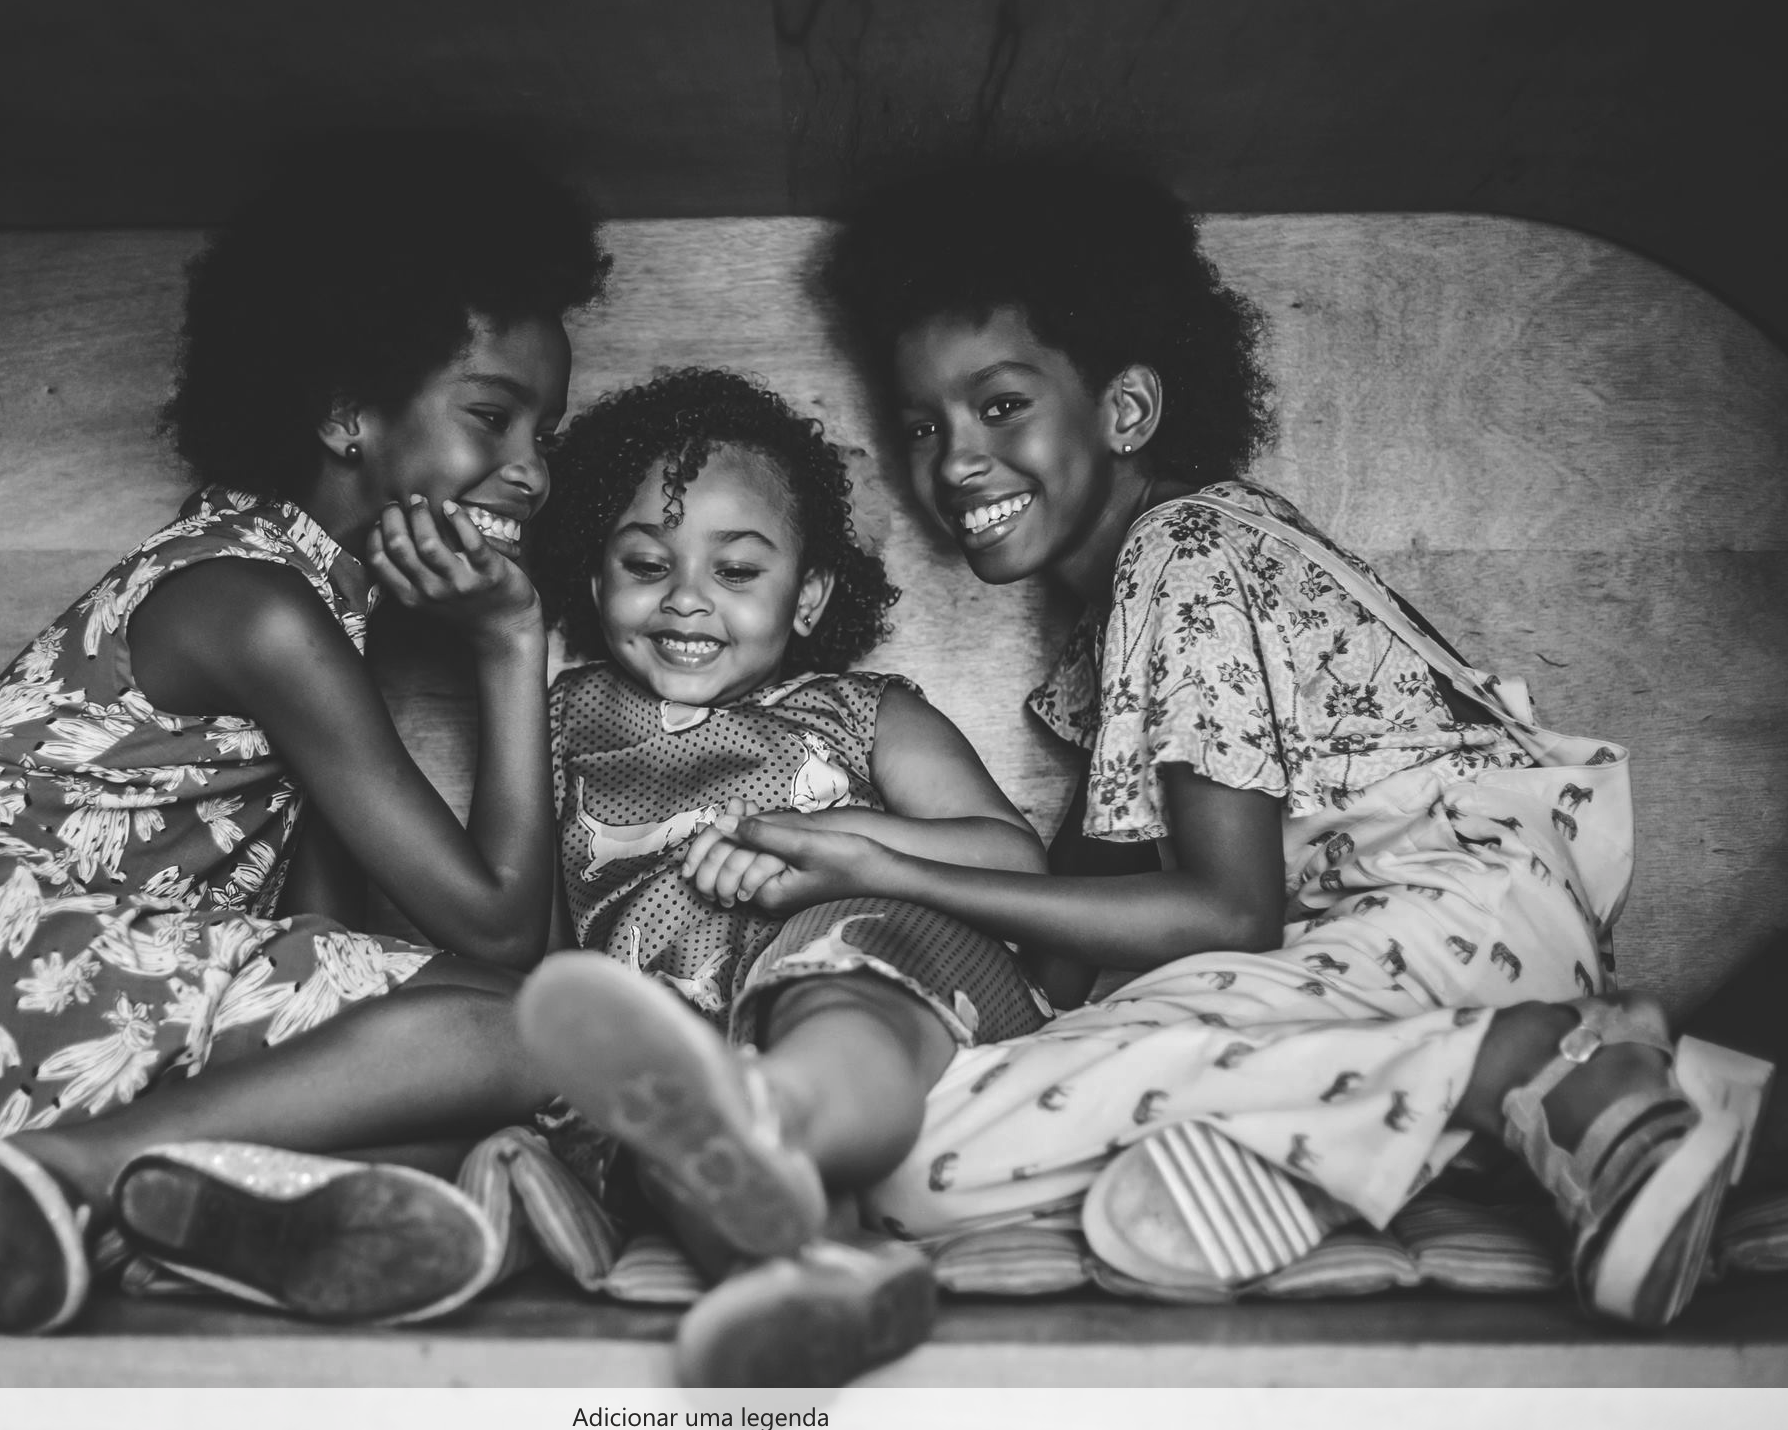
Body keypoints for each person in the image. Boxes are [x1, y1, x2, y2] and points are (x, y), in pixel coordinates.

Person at [668, 155, 1763, 1330]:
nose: (953, 461)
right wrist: (862, 967)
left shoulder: (1183, 550)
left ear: (1124, 411)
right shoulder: (1115, 634)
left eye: (999, 405)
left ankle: (1535, 1065)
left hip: (1447, 917)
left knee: (939, 1131)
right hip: (1386, 957)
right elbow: (1065, 967)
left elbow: (1226, 912)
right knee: (913, 1161)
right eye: (923, 424)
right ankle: (1330, 1151)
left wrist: (882, 867)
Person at [0, 134, 610, 1335]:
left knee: (457, 1092)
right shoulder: (260, 607)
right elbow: (503, 933)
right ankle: (71, 1173)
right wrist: (511, 641)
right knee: (538, 1034)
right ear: (345, 411)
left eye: (544, 433)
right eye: (493, 417)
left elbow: (319, 951)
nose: (531, 473)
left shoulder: (294, 598)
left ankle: (113, 1211)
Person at [513, 368, 1054, 1384]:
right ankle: (812, 1277)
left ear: (806, 596)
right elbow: (539, 936)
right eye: (646, 563)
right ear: (593, 581)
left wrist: (828, 838)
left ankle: (776, 1110)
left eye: (735, 570)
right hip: (673, 1044)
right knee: (663, 1150)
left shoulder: (862, 712)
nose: (685, 597)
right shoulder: (563, 720)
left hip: (870, 981)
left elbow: (1010, 856)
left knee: (833, 984)